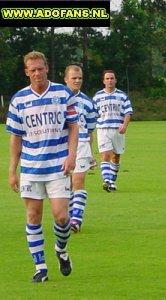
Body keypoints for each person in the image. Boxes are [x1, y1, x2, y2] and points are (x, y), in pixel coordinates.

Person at [6, 51, 79, 282]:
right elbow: (15, 137)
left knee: (61, 217)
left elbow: (74, 125)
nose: (37, 73)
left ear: (47, 68)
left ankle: (61, 250)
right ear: (27, 72)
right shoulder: (19, 100)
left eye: (40, 68)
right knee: (33, 216)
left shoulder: (63, 93)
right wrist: (12, 170)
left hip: (58, 166)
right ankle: (40, 267)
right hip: (30, 168)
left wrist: (72, 155)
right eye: (32, 70)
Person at [64, 64, 97, 232]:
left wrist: (91, 154)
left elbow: (90, 129)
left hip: (82, 145)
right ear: (66, 79)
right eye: (74, 78)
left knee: (78, 181)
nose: (77, 81)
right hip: (63, 146)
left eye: (80, 78)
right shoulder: (59, 98)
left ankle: (76, 220)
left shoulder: (88, 102)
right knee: (67, 184)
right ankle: (69, 218)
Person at [93, 70, 133, 192]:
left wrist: (124, 126)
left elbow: (128, 112)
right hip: (103, 129)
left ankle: (112, 180)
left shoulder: (122, 96)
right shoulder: (97, 96)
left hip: (118, 130)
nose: (110, 80)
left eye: (112, 78)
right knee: (106, 155)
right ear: (103, 81)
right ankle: (107, 181)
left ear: (115, 80)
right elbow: (93, 114)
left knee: (116, 157)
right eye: (107, 78)